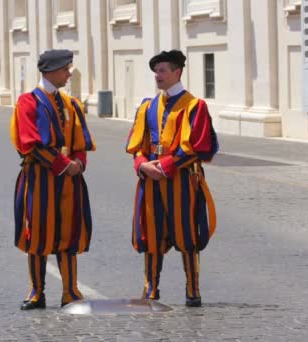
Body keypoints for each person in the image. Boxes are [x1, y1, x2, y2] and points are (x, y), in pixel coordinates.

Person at [125, 49, 219, 307]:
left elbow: (196, 147)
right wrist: (142, 165)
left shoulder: (194, 106)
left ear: (177, 72)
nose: (158, 75)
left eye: (163, 70)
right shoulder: (147, 106)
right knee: (152, 233)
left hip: (181, 181)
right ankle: (151, 289)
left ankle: (193, 288)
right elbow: (136, 145)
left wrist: (164, 167)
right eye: (156, 71)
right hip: (151, 182)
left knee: (186, 233)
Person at [10, 49, 96, 310]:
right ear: (51, 71)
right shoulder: (28, 102)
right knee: (38, 232)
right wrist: (63, 165)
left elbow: (81, 141)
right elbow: (30, 144)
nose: (69, 74)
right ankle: (37, 291)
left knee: (69, 234)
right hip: (41, 177)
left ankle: (70, 291)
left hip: (70, 179)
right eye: (65, 69)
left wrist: (79, 163)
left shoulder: (71, 104)